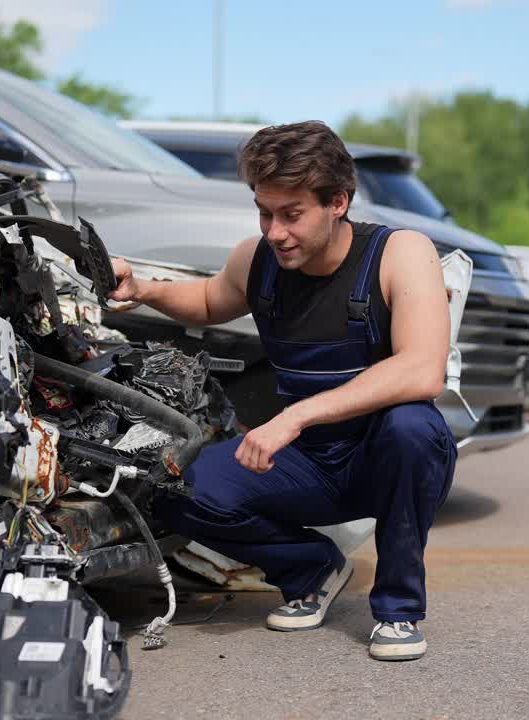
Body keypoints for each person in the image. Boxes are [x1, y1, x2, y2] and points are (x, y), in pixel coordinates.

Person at [108, 120, 456, 661]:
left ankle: (398, 608)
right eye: (264, 212)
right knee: (176, 487)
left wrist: (294, 417)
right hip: (309, 464)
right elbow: (207, 300)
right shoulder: (259, 259)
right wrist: (144, 290)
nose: (275, 231)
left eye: (291, 214)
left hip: (383, 457)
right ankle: (310, 567)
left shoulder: (399, 253)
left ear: (338, 202)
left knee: (412, 426)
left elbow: (422, 369)